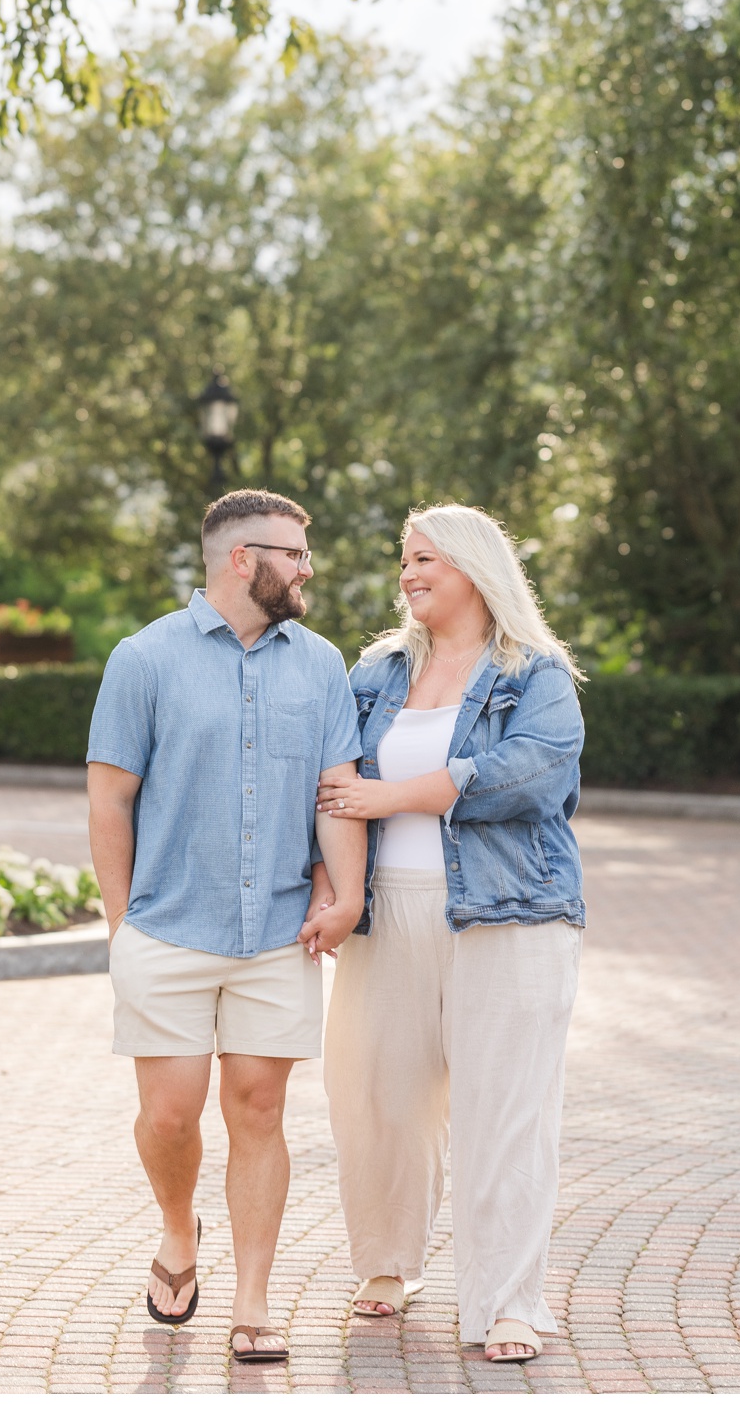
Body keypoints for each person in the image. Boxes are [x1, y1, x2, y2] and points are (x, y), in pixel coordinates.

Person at [87, 488, 366, 1366]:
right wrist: (121, 923)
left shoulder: (321, 665)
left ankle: (253, 1301)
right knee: (169, 1117)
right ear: (242, 559)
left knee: (259, 1107)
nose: (307, 568)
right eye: (294, 552)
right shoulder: (144, 659)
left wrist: (346, 895)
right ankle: (179, 1229)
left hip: (279, 931)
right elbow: (110, 798)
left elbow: (336, 792)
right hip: (167, 929)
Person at [316, 502, 585, 1365]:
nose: (408, 574)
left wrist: (397, 795)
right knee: (378, 1097)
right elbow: (329, 780)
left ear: (475, 567)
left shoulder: (534, 672)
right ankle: (389, 1264)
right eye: (404, 561)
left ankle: (508, 1301)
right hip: (386, 911)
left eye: (425, 558)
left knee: (502, 1111)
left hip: (509, 913)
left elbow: (529, 775)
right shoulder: (376, 671)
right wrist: (332, 885)